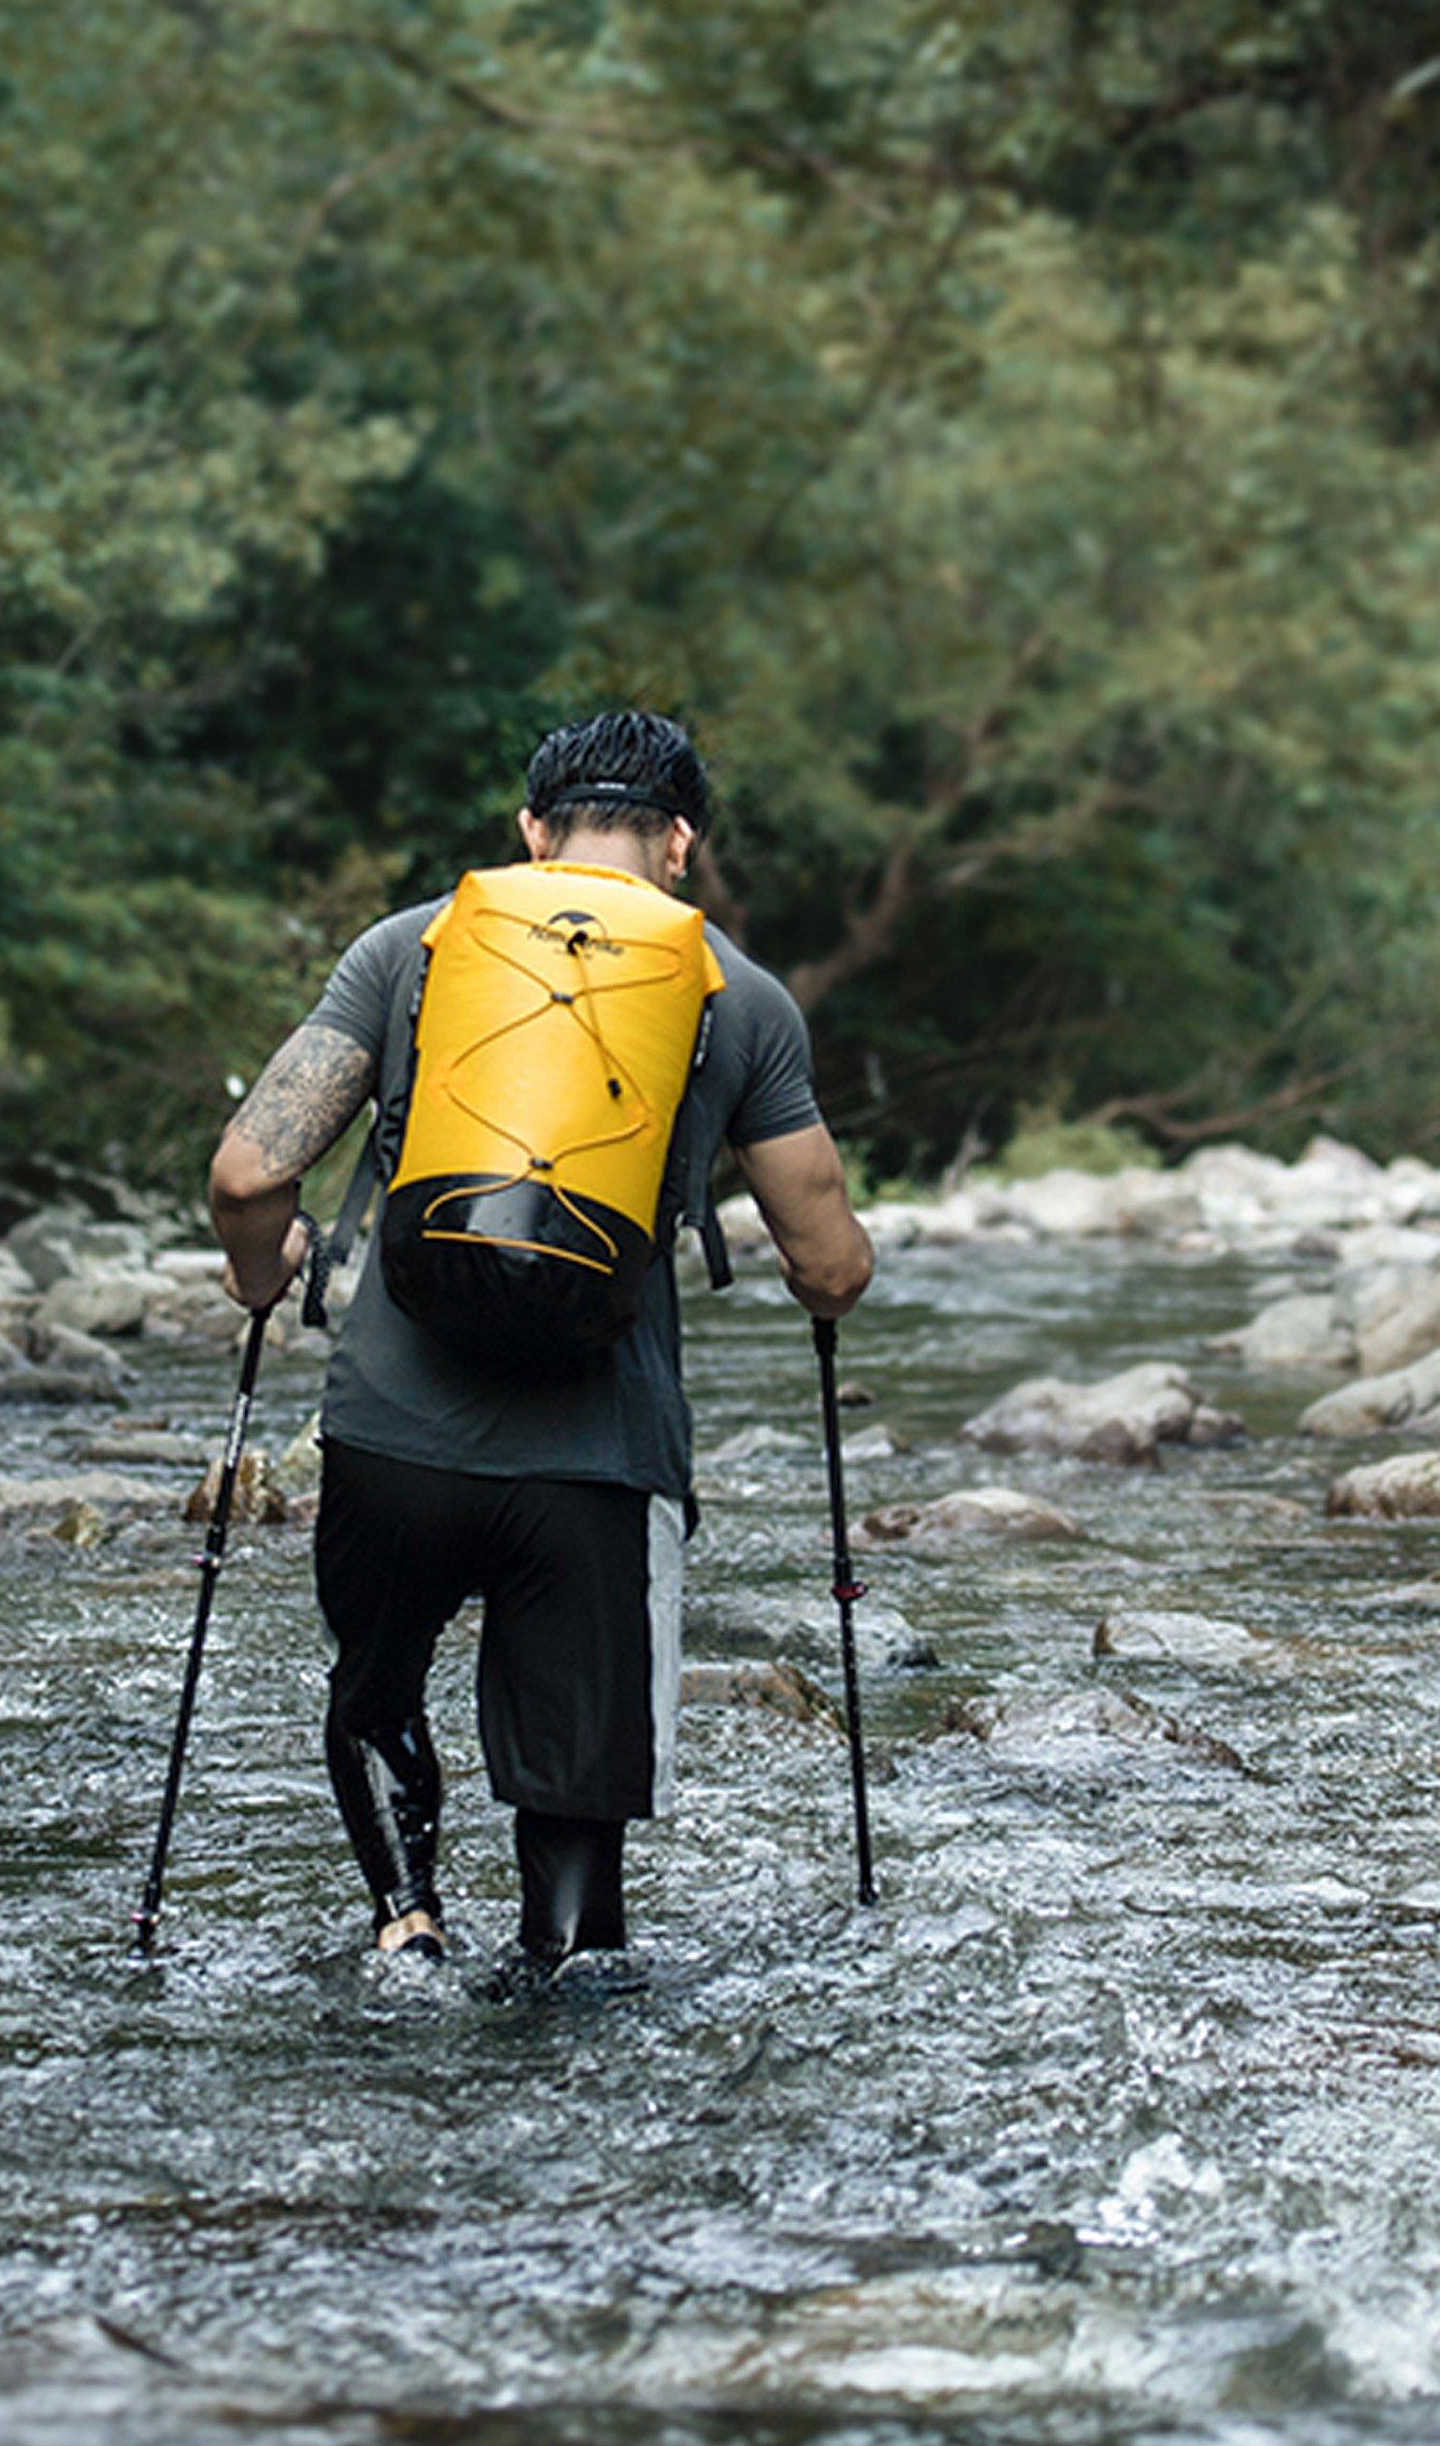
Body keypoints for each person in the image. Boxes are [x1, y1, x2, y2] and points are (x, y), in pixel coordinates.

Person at [207, 709, 873, 1986]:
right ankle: (559, 1968)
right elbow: (828, 1267)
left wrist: (262, 1273)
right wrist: (834, 1286)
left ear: (529, 830)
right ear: (681, 844)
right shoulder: (743, 998)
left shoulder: (410, 950)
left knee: (378, 1684)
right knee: (577, 1791)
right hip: (599, 1462)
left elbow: (249, 1174)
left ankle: (407, 1926)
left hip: (395, 1437)